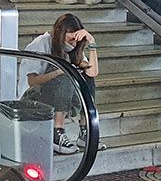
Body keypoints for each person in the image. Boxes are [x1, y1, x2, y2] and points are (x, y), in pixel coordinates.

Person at [21, 13, 102, 155]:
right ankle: (57, 132)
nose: (74, 44)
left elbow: (92, 73)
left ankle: (85, 129)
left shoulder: (73, 49)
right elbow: (31, 82)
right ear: (61, 33)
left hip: (60, 96)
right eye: (71, 39)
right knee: (66, 73)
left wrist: (92, 42)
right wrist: (58, 72)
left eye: (76, 40)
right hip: (32, 97)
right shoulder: (42, 43)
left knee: (86, 78)